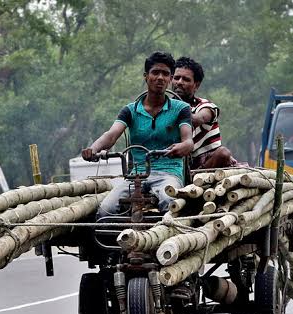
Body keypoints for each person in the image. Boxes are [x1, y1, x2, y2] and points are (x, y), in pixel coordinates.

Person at [82, 51, 193, 215]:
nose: (160, 78)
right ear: (146, 76)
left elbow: (188, 141)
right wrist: (94, 148)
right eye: (155, 72)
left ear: (170, 79)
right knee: (106, 210)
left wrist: (183, 146)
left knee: (170, 203)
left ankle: (168, 239)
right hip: (135, 175)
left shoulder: (181, 109)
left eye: (165, 74)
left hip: (169, 172)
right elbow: (111, 135)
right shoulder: (130, 110)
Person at [171, 56, 236, 169]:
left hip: (205, 165)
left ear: (196, 85)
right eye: (176, 78)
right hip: (172, 164)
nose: (179, 82)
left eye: (186, 79)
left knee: (223, 153)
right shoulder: (163, 106)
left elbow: (199, 119)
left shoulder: (205, 106)